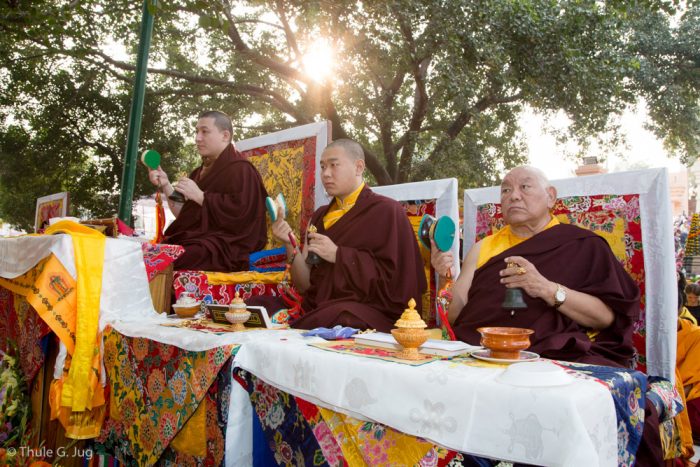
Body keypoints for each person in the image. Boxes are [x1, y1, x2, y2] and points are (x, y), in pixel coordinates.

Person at [431, 165, 662, 464]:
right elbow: (457, 315)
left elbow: (607, 318)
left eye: (525, 187)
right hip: (485, 354)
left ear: (550, 196)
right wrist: (443, 275)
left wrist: (547, 289)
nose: (513, 196)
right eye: (505, 190)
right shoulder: (483, 248)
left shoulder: (582, 245)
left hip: (554, 355)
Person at [270, 139, 427, 332]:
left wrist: (339, 255)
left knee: (339, 315)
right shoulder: (320, 216)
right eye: (322, 166)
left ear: (358, 167)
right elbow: (304, 285)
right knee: (260, 306)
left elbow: (399, 285)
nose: (326, 174)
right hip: (319, 307)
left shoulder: (387, 212)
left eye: (334, 165)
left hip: (371, 311)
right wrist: (289, 244)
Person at [148, 110, 268, 271]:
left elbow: (243, 218)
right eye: (197, 131)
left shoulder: (241, 170)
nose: (197, 138)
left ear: (225, 136)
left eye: (205, 132)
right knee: (158, 252)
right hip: (202, 241)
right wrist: (166, 184)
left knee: (169, 258)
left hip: (230, 247)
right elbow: (185, 215)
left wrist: (202, 197)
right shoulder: (199, 172)